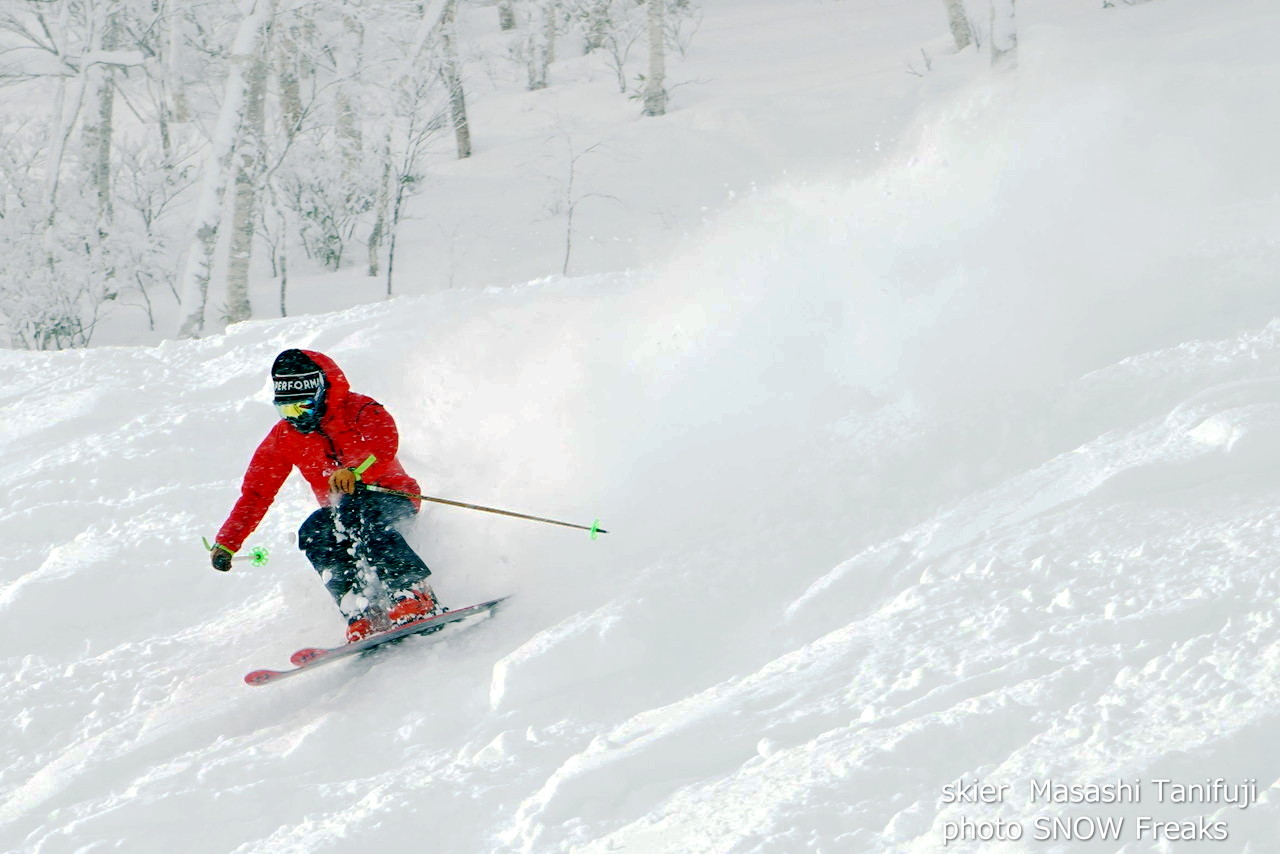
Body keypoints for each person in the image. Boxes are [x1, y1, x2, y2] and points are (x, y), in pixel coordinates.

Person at [209, 348, 440, 642]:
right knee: (314, 530)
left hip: (389, 496)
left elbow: (383, 444)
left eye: (302, 407)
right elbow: (256, 492)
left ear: (320, 393)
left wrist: (355, 472)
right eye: (287, 410)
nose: (296, 418)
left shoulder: (358, 409)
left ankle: (413, 592)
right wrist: (228, 542)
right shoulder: (285, 436)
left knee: (361, 511)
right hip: (341, 509)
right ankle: (361, 611)